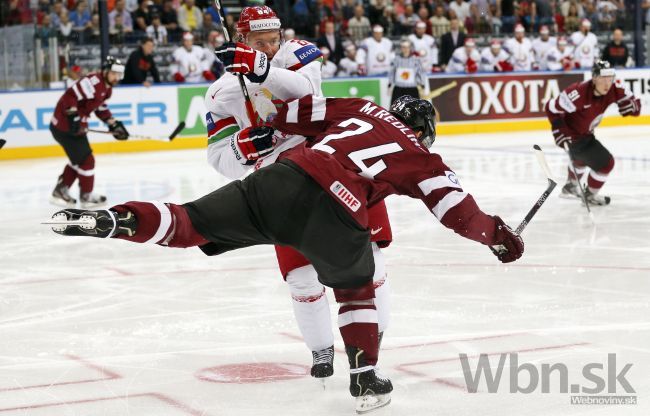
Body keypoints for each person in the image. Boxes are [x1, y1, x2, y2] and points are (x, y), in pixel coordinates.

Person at [49, 94, 524, 413]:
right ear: (424, 129)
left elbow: (289, 114)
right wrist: (501, 237)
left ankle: (116, 219)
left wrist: (258, 110)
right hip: (339, 208)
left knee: (190, 221)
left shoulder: (361, 107)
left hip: (284, 176)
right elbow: (461, 215)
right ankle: (364, 379)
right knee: (356, 287)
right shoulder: (422, 156)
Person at [207, 5, 395, 385]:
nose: (271, 47)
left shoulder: (298, 53)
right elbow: (219, 157)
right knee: (302, 277)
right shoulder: (220, 93)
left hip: (333, 165)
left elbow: (306, 93)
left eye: (274, 39)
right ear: (241, 39)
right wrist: (245, 147)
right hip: (281, 183)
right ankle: (321, 349)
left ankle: (371, 343)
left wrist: (258, 68)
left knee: (367, 261)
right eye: (260, 42)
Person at [544, 60, 641, 205]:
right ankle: (590, 195)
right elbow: (551, 107)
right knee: (606, 163)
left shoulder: (614, 88)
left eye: (610, 78)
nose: (607, 83)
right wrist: (558, 130)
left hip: (586, 134)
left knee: (581, 160)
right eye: (603, 78)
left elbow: (635, 103)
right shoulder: (577, 93)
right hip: (573, 137)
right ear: (594, 77)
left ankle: (570, 187)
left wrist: (633, 107)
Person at [49, 56, 129, 208]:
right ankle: (86, 195)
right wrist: (73, 117)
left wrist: (113, 124)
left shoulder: (107, 88)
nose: (116, 77)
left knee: (79, 159)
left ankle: (61, 190)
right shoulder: (93, 82)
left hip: (72, 127)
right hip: (65, 127)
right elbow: (70, 96)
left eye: (118, 75)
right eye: (113, 73)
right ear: (105, 71)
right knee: (87, 160)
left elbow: (100, 107)